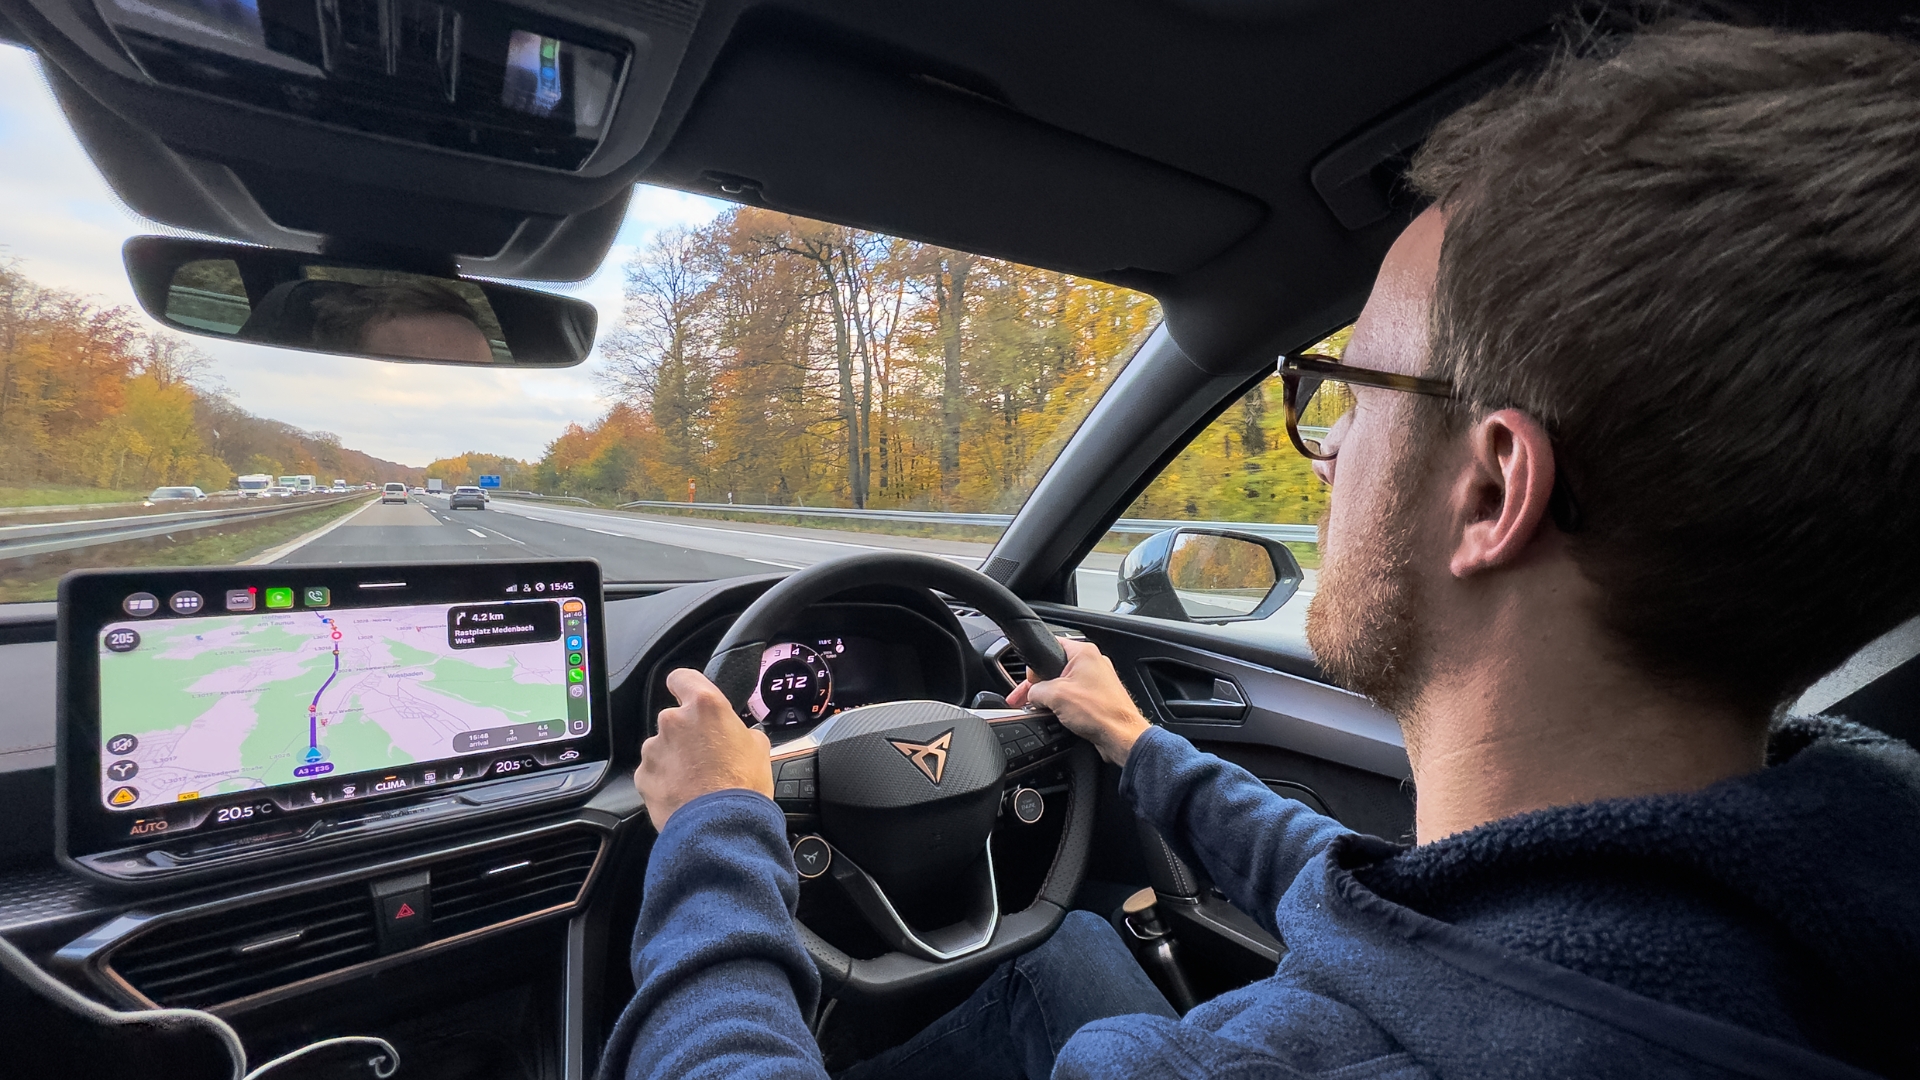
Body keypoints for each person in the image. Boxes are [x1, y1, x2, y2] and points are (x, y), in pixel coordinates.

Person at [602, 21, 1920, 1080]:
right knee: (1056, 960)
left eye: (1348, 395)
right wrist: (1135, 744)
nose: (1329, 450)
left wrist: (719, 835)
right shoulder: (1835, 873)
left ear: (1492, 488)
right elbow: (1402, 915)